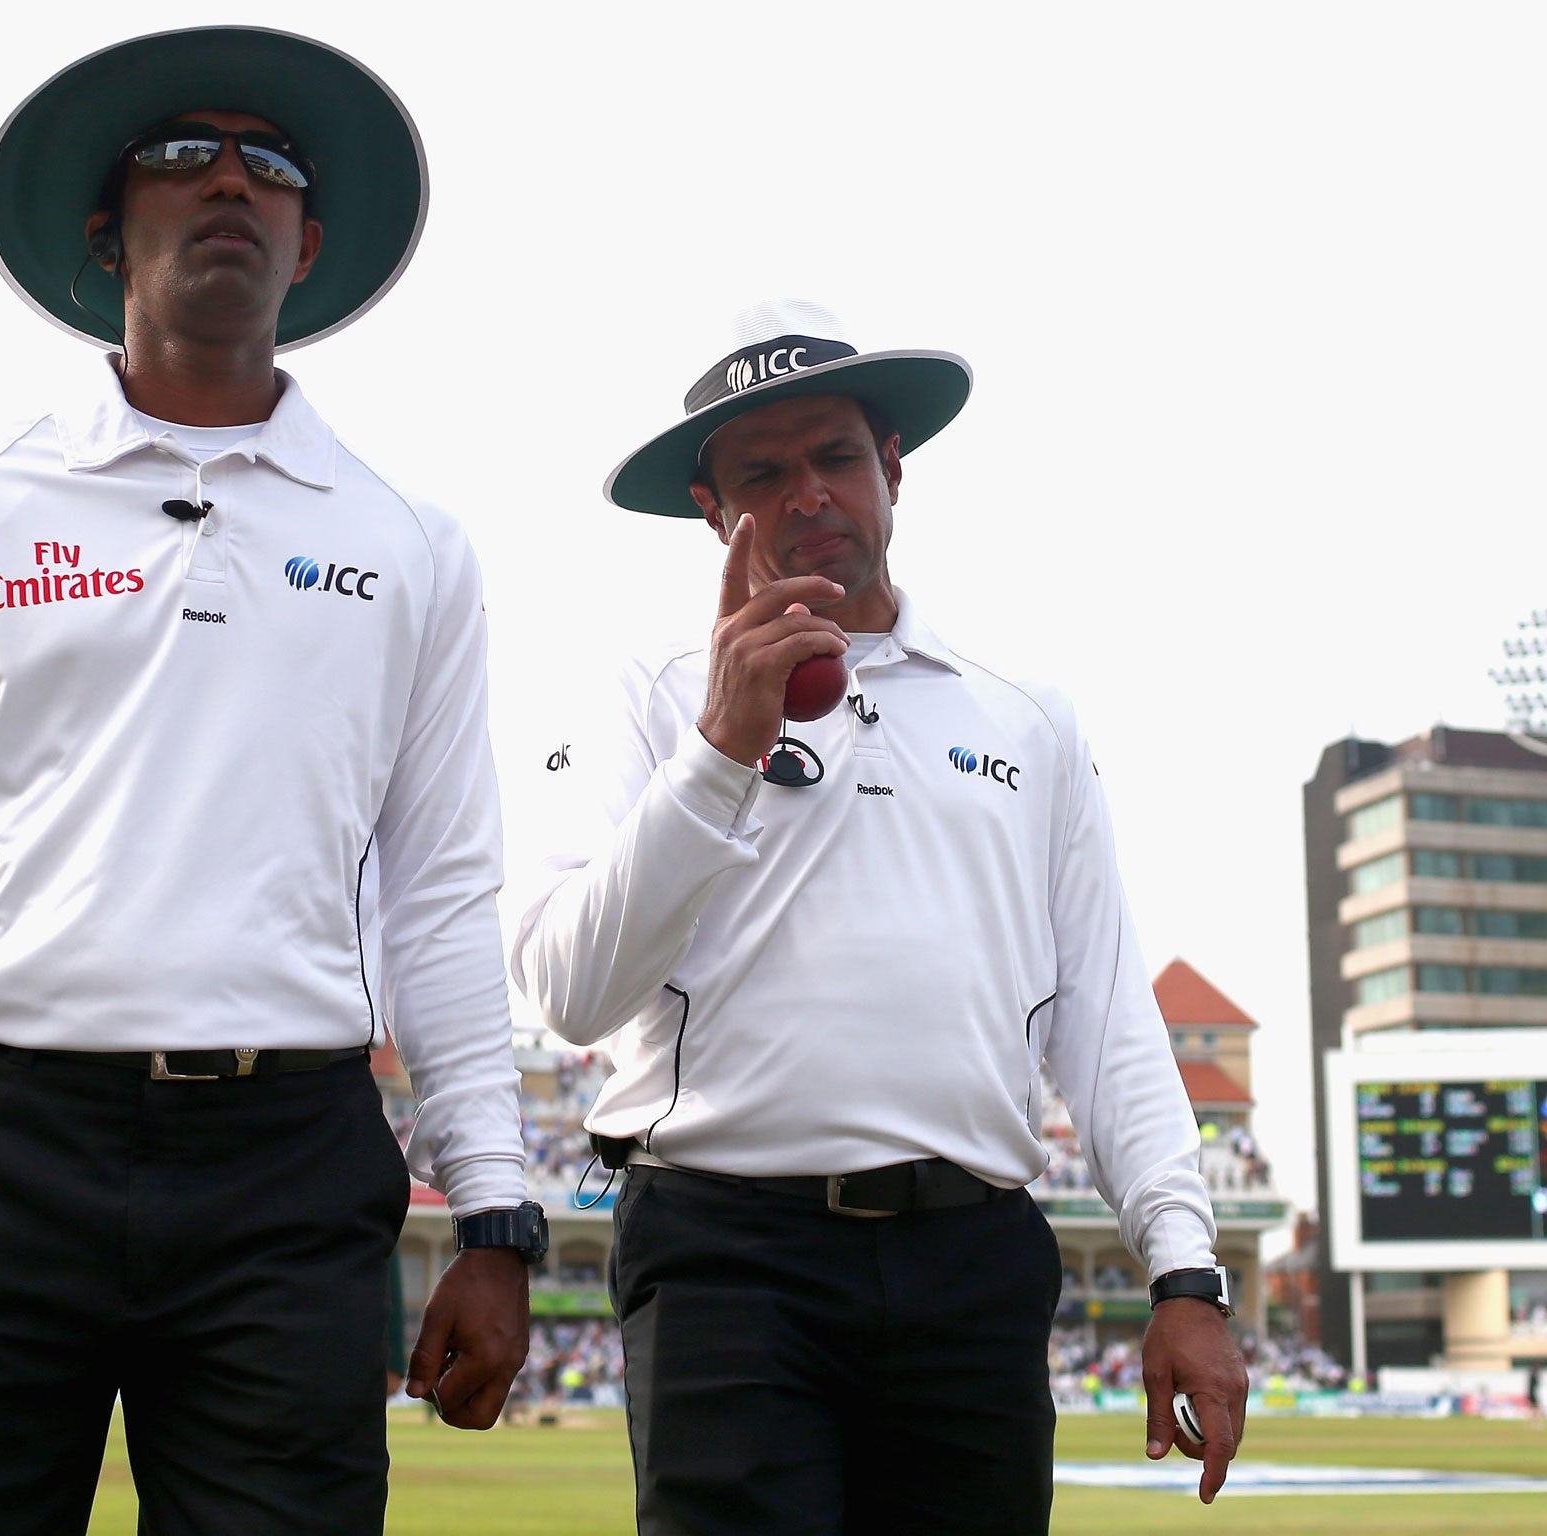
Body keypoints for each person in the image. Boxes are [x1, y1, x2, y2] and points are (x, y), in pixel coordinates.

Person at [0, 27, 541, 1535]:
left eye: (270, 166)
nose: (229, 183)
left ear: (309, 241)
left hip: (288, 1167)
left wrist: (496, 1215)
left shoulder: (415, 545)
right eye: (183, 156)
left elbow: (445, 897)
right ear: (106, 224)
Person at [511, 300, 1248, 1534]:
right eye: (761, 474)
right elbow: (564, 991)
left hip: (971, 1261)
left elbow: (1106, 1020)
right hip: (730, 1255)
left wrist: (1182, 1271)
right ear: (710, 511)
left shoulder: (1022, 715)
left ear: (892, 468)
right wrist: (720, 749)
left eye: (835, 457)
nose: (807, 494)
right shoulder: (639, 695)